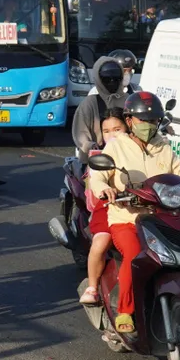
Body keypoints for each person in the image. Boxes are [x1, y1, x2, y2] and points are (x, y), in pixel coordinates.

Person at [88, 92, 180, 335]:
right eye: (143, 120)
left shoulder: (163, 147)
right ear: (130, 121)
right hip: (127, 218)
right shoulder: (116, 146)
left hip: (161, 218)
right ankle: (125, 310)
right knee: (135, 255)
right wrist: (105, 189)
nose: (149, 125)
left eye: (154, 120)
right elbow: (98, 177)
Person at [79, 108, 128, 306]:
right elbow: (97, 179)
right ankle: (92, 287)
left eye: (117, 129)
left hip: (143, 207)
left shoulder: (143, 148)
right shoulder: (103, 155)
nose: (112, 135)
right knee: (100, 244)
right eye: (106, 131)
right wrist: (106, 189)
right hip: (110, 206)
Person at [71, 56, 129, 165]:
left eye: (116, 78)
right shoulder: (89, 103)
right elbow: (80, 132)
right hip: (95, 161)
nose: (112, 82)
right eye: (107, 79)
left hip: (127, 157)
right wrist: (89, 145)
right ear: (98, 79)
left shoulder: (129, 100)